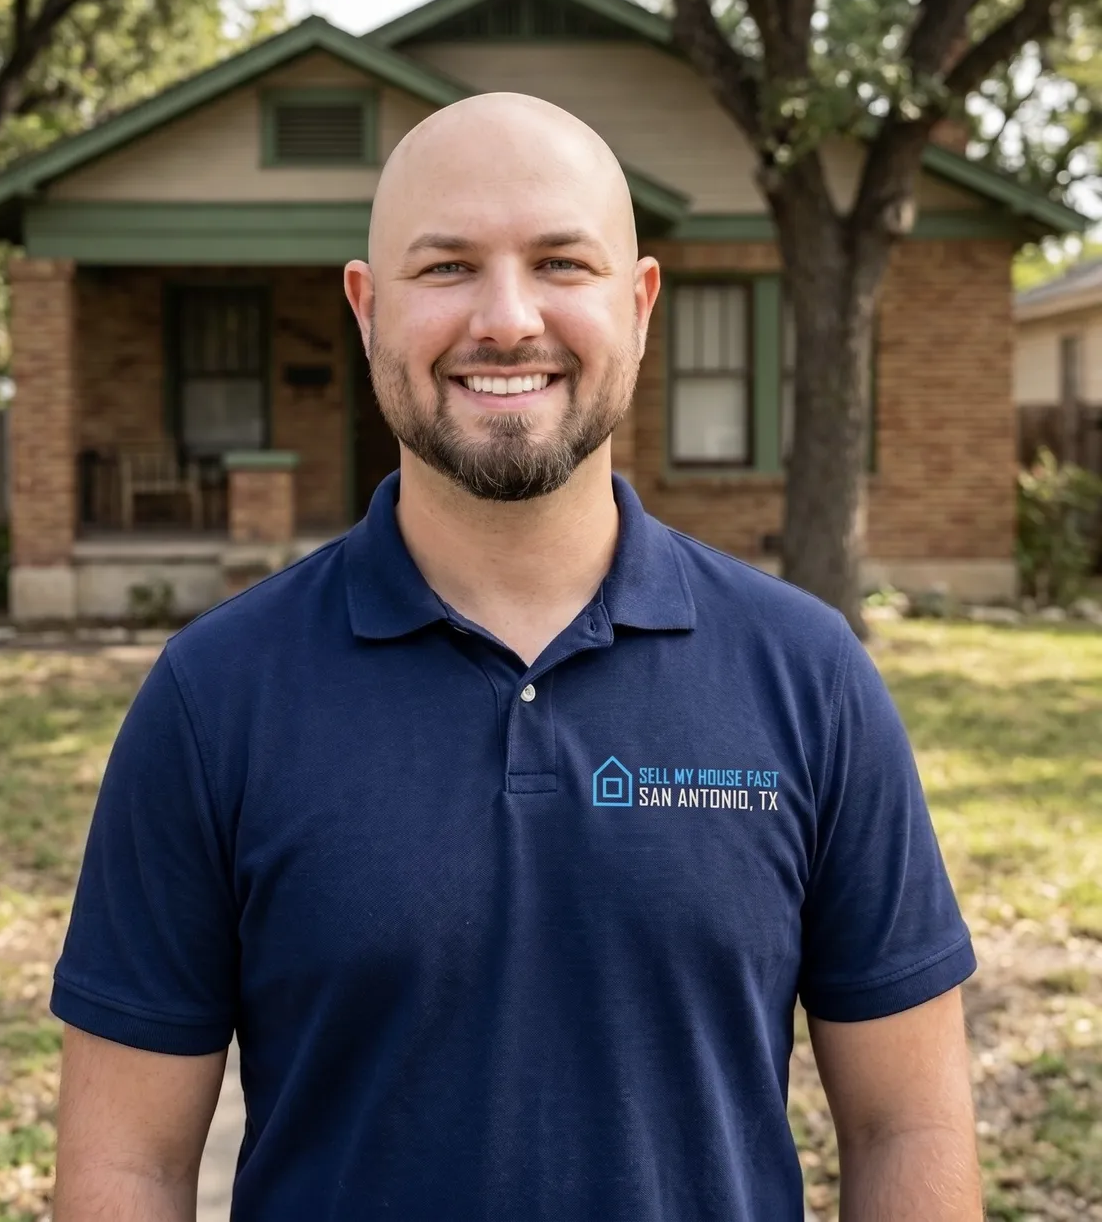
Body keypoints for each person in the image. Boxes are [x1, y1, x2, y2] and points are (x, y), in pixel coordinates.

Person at [50, 93, 981, 1221]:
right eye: (446, 267)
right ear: (367, 305)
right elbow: (127, 1167)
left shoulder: (808, 676)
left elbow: (907, 1125)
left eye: (560, 262)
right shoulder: (214, 698)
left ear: (637, 305)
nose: (506, 318)